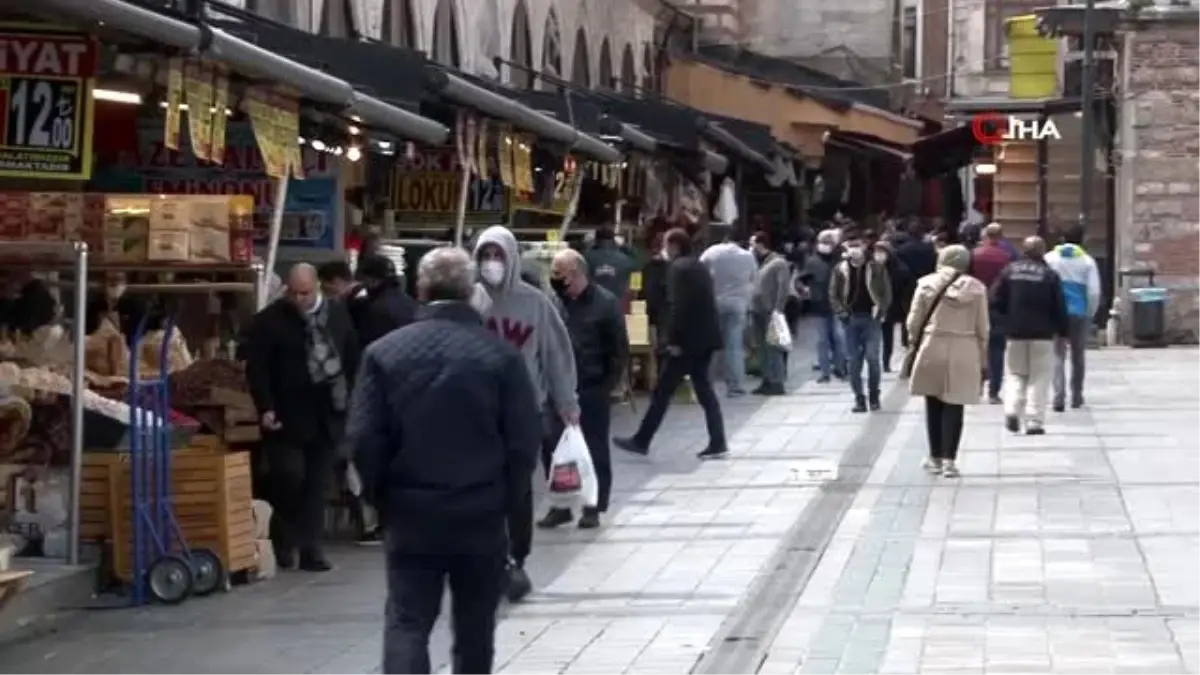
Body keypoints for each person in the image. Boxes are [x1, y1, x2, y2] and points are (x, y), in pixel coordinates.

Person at [349, 247, 541, 675]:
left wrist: (382, 498)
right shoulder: (500, 357)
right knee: (475, 628)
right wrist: (507, 502)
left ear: (420, 288)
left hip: (411, 512)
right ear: (472, 291)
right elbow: (524, 442)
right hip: (480, 512)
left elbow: (363, 438)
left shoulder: (383, 354)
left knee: (406, 619)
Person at [470, 225, 579, 602]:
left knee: (517, 489)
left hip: (523, 412)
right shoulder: (470, 301)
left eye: (498, 255)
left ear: (512, 257)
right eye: (485, 255)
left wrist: (567, 403)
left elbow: (556, 355)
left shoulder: (535, 303)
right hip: (477, 414)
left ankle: (516, 555)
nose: (492, 263)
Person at [245, 263, 360, 571]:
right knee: (288, 476)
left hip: (327, 414)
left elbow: (350, 356)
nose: (298, 300)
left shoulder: (337, 314)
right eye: (293, 293)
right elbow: (258, 368)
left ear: (317, 288)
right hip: (286, 415)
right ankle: (284, 539)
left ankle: (311, 549)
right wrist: (265, 406)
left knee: (317, 484)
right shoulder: (270, 321)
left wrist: (351, 402)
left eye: (305, 293)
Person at [614, 228, 728, 459]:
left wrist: (674, 341)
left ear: (674, 246)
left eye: (666, 244)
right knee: (704, 391)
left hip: (687, 342)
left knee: (663, 392)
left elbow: (679, 307)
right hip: (705, 338)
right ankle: (718, 441)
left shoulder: (677, 269)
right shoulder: (698, 266)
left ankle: (642, 440)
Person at [537, 250, 627, 530]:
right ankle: (561, 505)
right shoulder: (553, 304)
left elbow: (618, 350)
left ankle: (593, 505)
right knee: (552, 449)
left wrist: (607, 386)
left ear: (577, 273)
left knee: (595, 449)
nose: (556, 279)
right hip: (557, 388)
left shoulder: (605, 304)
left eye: (560, 273)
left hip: (592, 387)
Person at [905, 245, 989, 478]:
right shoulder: (977, 289)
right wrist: (983, 357)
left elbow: (914, 320)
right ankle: (950, 461)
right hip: (964, 347)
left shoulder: (926, 284)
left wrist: (913, 342)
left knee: (933, 401)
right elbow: (983, 327)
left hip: (933, 343)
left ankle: (934, 457)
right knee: (955, 402)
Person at [990, 237, 1069, 435]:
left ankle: (1012, 410)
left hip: (1015, 333)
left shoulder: (1009, 271)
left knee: (1016, 374)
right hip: (1042, 334)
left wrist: (1004, 322)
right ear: (1042, 252)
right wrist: (1063, 332)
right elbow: (1059, 306)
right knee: (1039, 377)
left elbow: (994, 300)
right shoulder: (1049, 275)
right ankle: (1034, 420)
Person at [830, 230, 892, 412]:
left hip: (871, 319)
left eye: (858, 245)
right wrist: (841, 313)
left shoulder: (876, 267)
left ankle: (874, 395)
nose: (855, 249)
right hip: (850, 319)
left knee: (873, 358)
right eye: (851, 246)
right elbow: (833, 294)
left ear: (865, 246)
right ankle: (859, 398)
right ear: (845, 248)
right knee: (854, 361)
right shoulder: (840, 269)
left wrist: (881, 310)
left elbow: (886, 291)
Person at [1045, 227, 1101, 411]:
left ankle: (1058, 396)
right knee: (1078, 355)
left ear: (1061, 238)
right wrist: (1090, 313)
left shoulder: (1050, 258)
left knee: (1057, 354)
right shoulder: (1087, 261)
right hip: (1079, 312)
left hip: (1056, 313)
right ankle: (1077, 395)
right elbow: (1094, 291)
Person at [699, 227, 757, 396]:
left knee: (711, 345)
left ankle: (706, 384)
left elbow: (700, 272)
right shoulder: (747, 256)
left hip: (714, 303)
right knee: (734, 346)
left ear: (725, 238)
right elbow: (754, 279)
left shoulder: (712, 252)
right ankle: (735, 386)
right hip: (738, 305)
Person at [970, 223, 1020, 403]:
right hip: (998, 308)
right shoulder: (1007, 257)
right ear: (1000, 237)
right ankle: (993, 391)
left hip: (975, 305)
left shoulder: (974, 255)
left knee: (975, 348)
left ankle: (975, 387)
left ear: (985, 236)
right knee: (996, 350)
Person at [799, 228, 846, 383]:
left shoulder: (840, 261)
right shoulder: (812, 261)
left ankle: (840, 368)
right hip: (819, 306)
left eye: (829, 242)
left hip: (838, 305)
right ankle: (825, 372)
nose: (826, 245)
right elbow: (801, 280)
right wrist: (804, 289)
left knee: (839, 337)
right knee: (822, 340)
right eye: (823, 242)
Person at [749, 231, 793, 395]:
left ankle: (777, 381)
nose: (750, 247)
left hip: (771, 311)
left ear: (761, 244)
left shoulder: (778, 262)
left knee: (774, 347)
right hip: (756, 309)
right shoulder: (757, 262)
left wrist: (778, 309)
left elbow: (783, 287)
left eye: (752, 244)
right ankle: (766, 379)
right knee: (761, 347)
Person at [875, 240, 912, 373]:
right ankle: (886, 363)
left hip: (900, 306)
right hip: (885, 307)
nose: (879, 255)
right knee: (887, 337)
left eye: (882, 252)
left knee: (905, 337)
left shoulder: (900, 269)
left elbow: (907, 286)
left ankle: (907, 364)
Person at [583, 225, 638, 306]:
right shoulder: (627, 260)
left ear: (596, 240)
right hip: (618, 307)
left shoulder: (586, 257)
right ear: (614, 240)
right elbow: (635, 288)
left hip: (592, 307)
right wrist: (624, 246)